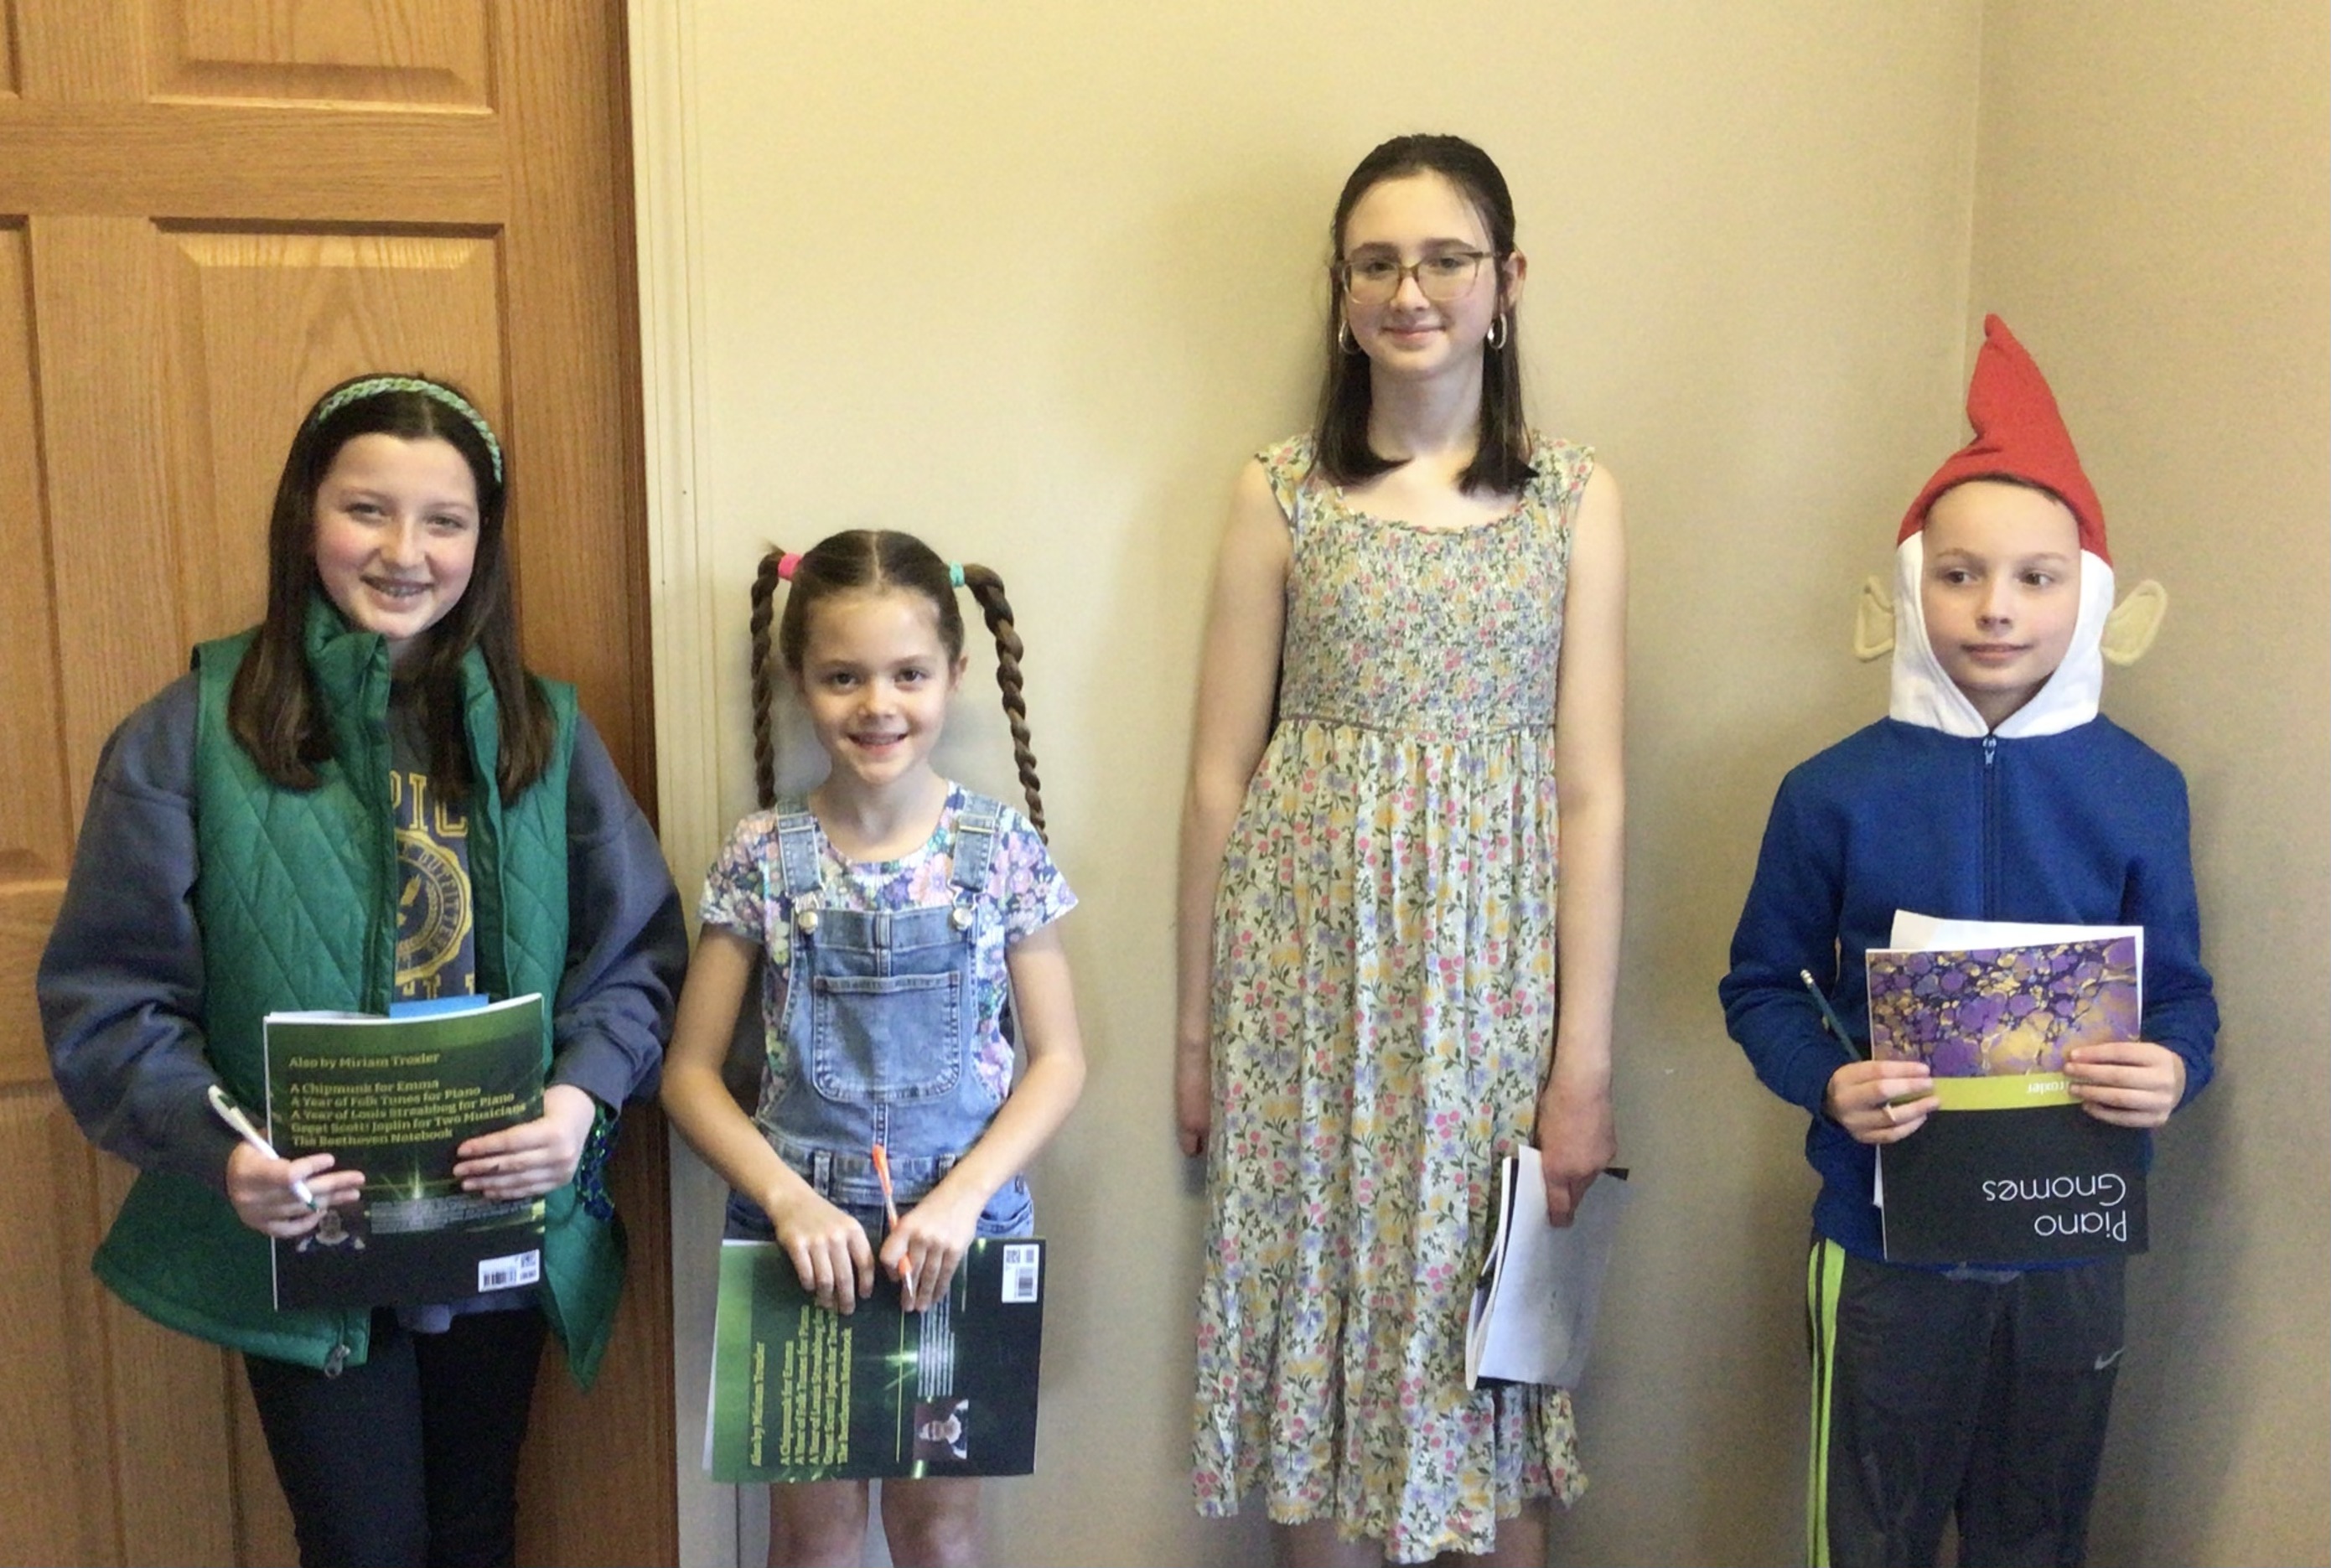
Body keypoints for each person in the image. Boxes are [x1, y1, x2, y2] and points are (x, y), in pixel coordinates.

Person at [39, 373, 687, 1568]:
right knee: (361, 1540)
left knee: (477, 1525)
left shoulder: (544, 733)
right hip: (309, 1228)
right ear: (305, 518)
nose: (404, 551)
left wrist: (579, 1100)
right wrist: (225, 1151)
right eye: (367, 509)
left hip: (496, 1209)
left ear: (483, 543)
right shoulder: (190, 733)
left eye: (445, 520)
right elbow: (112, 1000)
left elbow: (636, 955)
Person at [1178, 133, 1628, 1565]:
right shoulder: (1280, 490)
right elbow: (1216, 778)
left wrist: (1582, 1067)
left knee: (1480, 1335)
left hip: (1491, 989)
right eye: (1376, 262)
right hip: (1303, 986)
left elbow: (1591, 793)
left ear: (1507, 281)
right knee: (1322, 1319)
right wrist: (1195, 1036)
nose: (1409, 290)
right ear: (1340, 289)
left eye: (1444, 259)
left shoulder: (1572, 498)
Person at [1718, 315, 2218, 1568]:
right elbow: (1763, 984)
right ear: (1910, 586)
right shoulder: (1830, 791)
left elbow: (2182, 996)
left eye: (2036, 577)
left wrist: (2172, 1067)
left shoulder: (2141, 789)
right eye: (1959, 574)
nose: (1996, 607)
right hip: (1885, 1239)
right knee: (1871, 1532)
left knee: (2036, 1531)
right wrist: (1829, 1078)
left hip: (2070, 1242)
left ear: (2087, 594)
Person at [660, 530, 1085, 1568]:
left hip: (960, 1232)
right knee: (813, 1538)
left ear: (956, 673)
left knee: (939, 1532)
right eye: (843, 676)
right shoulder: (763, 853)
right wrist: (788, 1199)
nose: (877, 704)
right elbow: (689, 1075)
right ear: (797, 678)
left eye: (908, 674)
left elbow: (1060, 1059)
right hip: (799, 1238)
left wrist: (965, 1196)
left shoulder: (1001, 847)